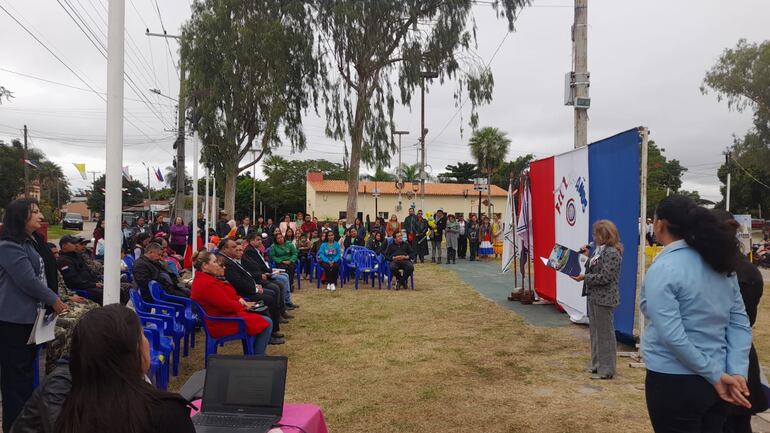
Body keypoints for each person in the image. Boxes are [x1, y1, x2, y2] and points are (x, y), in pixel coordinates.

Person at [641, 195, 752, 432]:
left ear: (659, 224)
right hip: (720, 378)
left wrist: (716, 374)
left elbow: (672, 336)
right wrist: (735, 371)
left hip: (676, 380)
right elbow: (739, 323)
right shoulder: (720, 262)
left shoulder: (664, 268)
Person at [54, 305, 195, 433]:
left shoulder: (68, 414)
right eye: (143, 335)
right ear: (133, 352)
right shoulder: (168, 414)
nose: (147, 342)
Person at [0, 199, 66, 433]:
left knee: (26, 375)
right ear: (20, 217)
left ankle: (25, 424)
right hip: (13, 321)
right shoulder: (8, 245)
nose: (40, 216)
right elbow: (27, 280)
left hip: (30, 319)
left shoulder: (29, 242)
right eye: (34, 212)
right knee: (15, 380)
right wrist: (54, 300)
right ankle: (15, 426)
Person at [713, 211, 768, 433]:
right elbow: (749, 320)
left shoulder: (720, 270)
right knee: (740, 423)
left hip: (719, 355)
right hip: (743, 355)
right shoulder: (749, 269)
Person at [191, 251, 273, 355]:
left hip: (222, 317)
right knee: (267, 322)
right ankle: (257, 357)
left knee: (263, 317)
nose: (218, 265)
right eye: (215, 262)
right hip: (221, 322)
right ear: (205, 266)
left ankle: (255, 354)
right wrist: (244, 306)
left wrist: (241, 302)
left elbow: (226, 298)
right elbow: (226, 305)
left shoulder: (205, 279)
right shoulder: (207, 284)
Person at [572, 220, 623, 380]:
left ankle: (606, 370)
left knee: (605, 335)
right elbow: (595, 268)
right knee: (595, 333)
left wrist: (584, 277)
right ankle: (597, 365)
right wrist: (585, 258)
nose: (593, 237)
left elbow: (606, 277)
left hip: (604, 298)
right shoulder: (599, 251)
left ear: (604, 235)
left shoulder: (612, 253)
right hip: (594, 296)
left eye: (596, 234)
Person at [219, 239, 285, 344]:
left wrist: (255, 285)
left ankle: (273, 328)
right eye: (233, 247)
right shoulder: (226, 262)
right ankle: (270, 333)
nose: (236, 249)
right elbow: (237, 282)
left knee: (272, 292)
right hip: (242, 293)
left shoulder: (231, 259)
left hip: (249, 286)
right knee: (270, 298)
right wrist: (255, 288)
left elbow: (245, 275)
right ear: (224, 249)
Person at [243, 233, 297, 310]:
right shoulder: (250, 251)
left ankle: (287, 301)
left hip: (267, 271)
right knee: (283, 279)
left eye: (260, 239)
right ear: (251, 241)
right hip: (262, 274)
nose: (260, 241)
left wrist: (290, 260)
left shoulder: (255, 249)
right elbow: (260, 265)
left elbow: (295, 253)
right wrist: (270, 271)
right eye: (257, 240)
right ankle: (283, 305)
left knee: (285, 275)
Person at [56, 235, 104, 304]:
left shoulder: (77, 256)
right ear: (64, 246)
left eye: (76, 243)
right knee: (105, 294)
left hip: (91, 284)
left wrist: (97, 282)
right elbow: (73, 281)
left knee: (118, 289)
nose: (75, 245)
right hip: (81, 289)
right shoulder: (63, 260)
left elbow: (89, 272)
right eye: (73, 243)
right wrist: (94, 284)